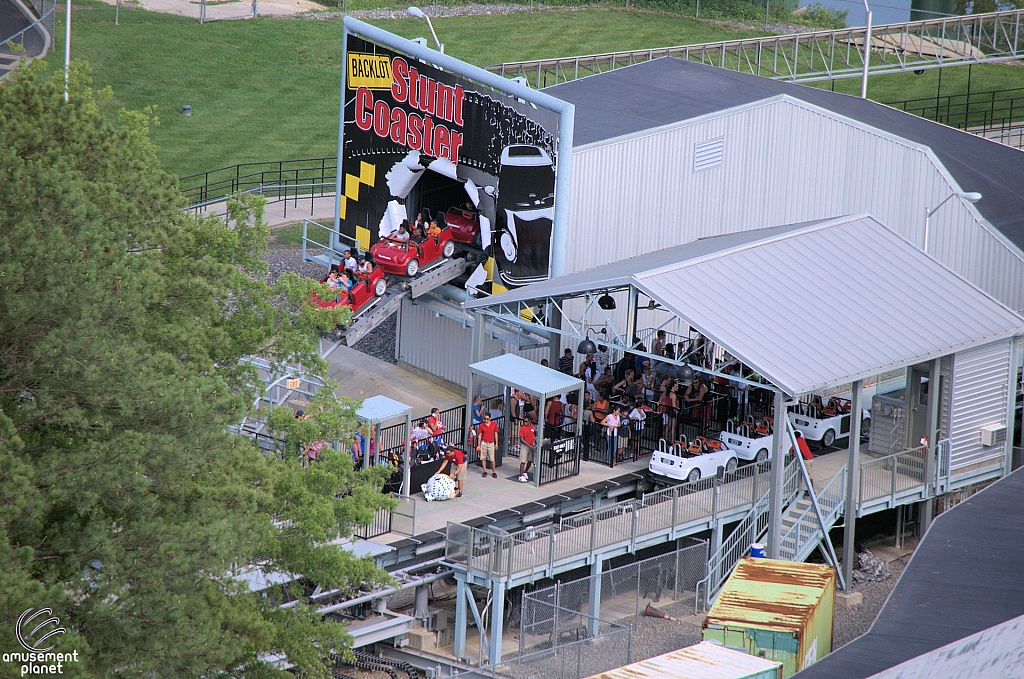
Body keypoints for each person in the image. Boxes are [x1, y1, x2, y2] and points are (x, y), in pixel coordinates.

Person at [478, 412, 499, 478]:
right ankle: (485, 471)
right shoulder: (481, 425)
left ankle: (494, 471)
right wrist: (479, 445)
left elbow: (496, 434)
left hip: (491, 442)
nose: (486, 420)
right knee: (483, 457)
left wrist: (496, 443)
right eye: (485, 419)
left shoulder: (494, 424)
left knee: (492, 458)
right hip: (484, 442)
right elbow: (480, 435)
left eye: (487, 419)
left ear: (490, 418)